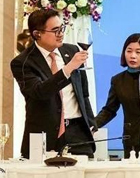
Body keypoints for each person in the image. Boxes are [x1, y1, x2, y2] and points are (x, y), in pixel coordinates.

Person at [10, 9, 96, 157]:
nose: (61, 33)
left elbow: (83, 93)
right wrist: (68, 68)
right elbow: (39, 92)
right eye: (55, 30)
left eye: (62, 28)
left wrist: (91, 123)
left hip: (78, 133)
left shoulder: (72, 51)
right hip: (45, 134)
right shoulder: (22, 62)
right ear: (37, 34)